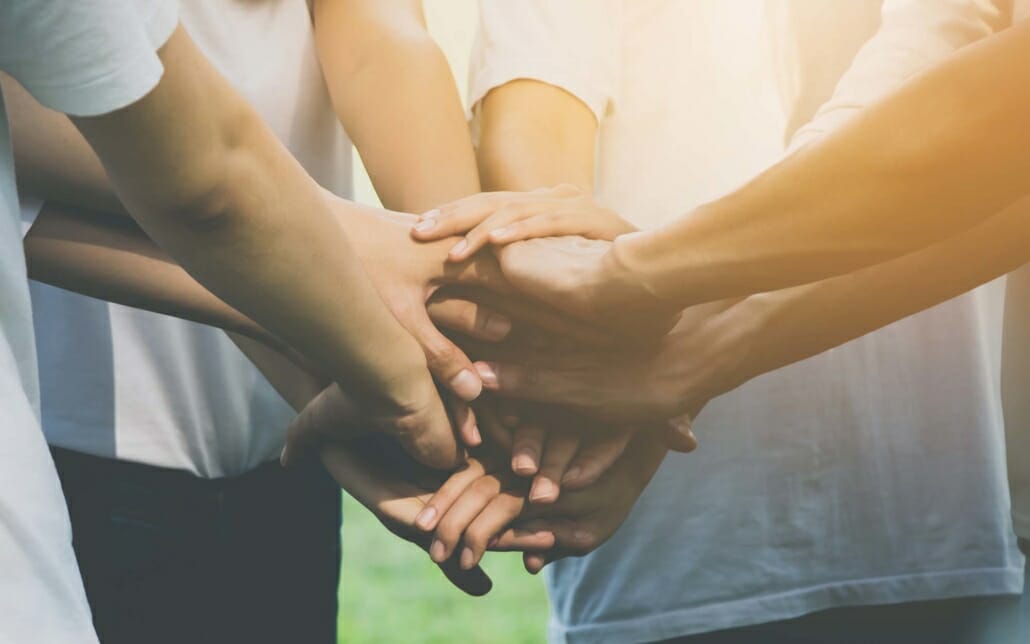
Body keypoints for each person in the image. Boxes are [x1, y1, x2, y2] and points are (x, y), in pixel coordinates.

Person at [410, 1, 1027, 642]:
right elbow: (536, 118)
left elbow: (965, 101)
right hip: (682, 532)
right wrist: (587, 334)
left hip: (938, 503)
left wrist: (645, 301)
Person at [5, 1, 487, 641]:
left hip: (291, 441)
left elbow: (381, 39)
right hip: (80, 443)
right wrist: (389, 344)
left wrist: (467, 316)